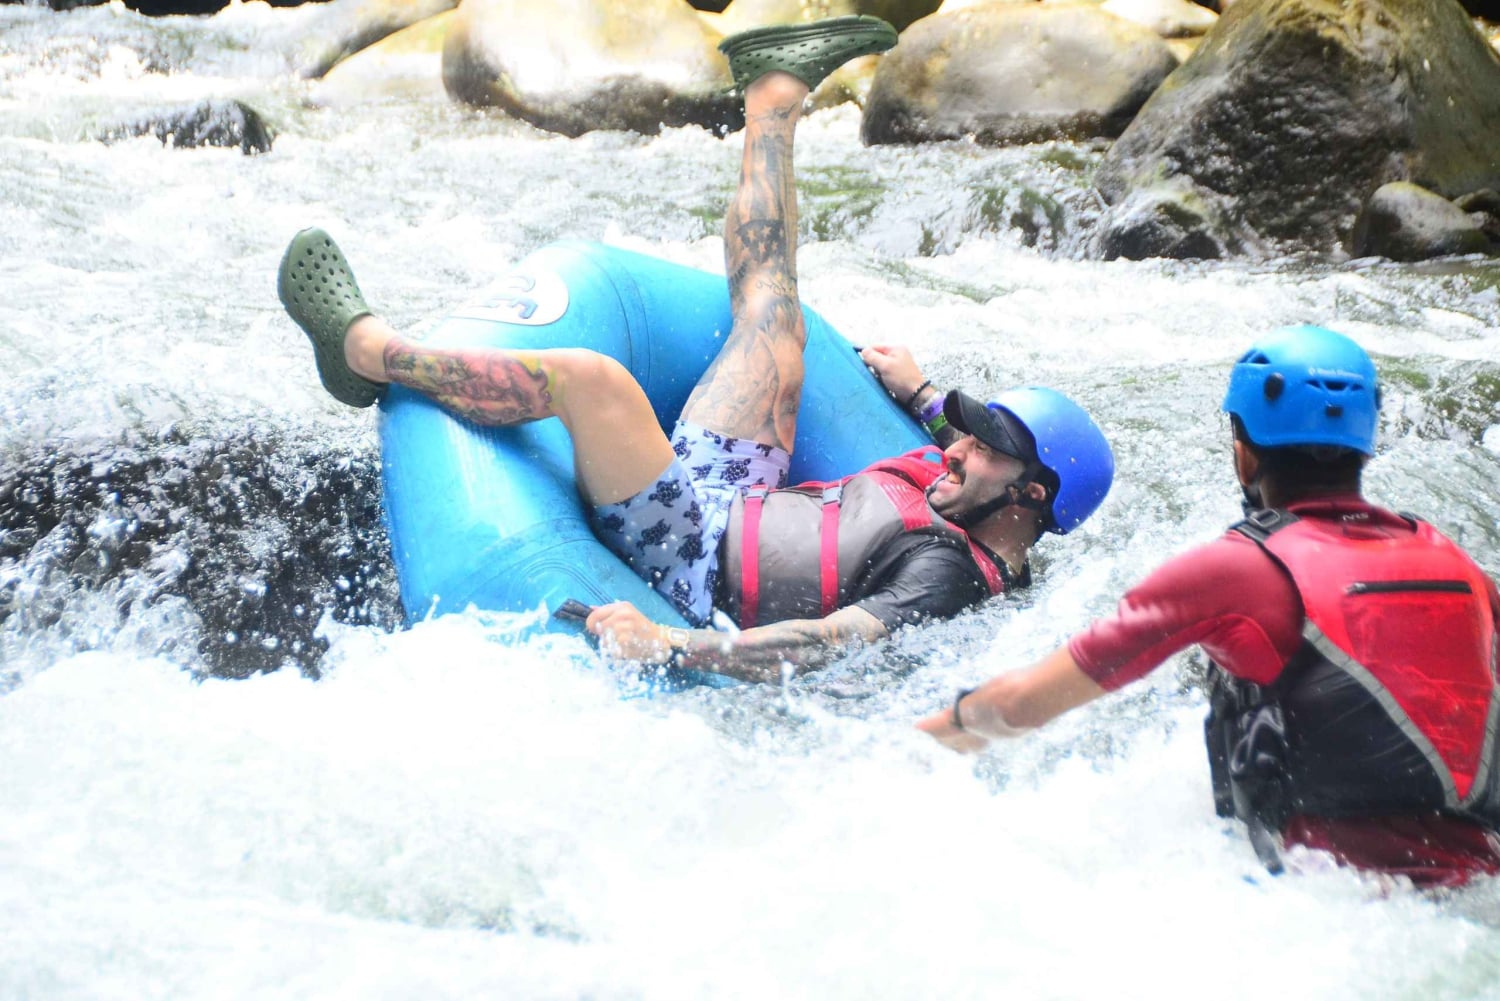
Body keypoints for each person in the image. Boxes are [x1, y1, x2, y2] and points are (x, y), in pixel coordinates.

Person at [276, 16, 1113, 684]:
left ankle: (368, 353)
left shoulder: (949, 576)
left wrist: (670, 645)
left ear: (1032, 495)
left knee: (595, 381)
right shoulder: (977, 486)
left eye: (984, 444)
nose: (957, 447)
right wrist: (927, 393)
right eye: (966, 431)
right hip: (731, 491)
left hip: (690, 560)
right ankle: (775, 95)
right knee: (774, 315)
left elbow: (829, 643)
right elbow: (956, 439)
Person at [919, 325, 1500, 887]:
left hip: (1321, 895)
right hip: (1475, 888)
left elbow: (1020, 706)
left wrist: (923, 742)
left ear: (1244, 454)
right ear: (1363, 447)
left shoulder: (1236, 570)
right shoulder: (1460, 566)